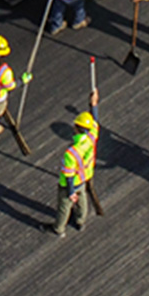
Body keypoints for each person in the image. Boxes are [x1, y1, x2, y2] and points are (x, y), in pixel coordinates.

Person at [45, 94, 99, 237]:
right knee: (82, 201)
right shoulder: (91, 137)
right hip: (85, 176)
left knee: (64, 207)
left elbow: (68, 175)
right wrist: (93, 105)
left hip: (71, 183)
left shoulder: (71, 153)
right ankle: (80, 221)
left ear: (76, 128)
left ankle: (59, 229)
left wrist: (70, 192)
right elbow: (95, 122)